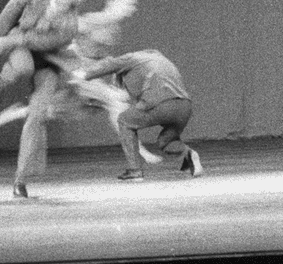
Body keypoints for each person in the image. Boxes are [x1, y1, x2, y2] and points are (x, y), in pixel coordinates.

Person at [0, 0, 136, 199]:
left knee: (37, 114)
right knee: (24, 66)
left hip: (47, 58)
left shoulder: (69, 24)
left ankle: (20, 179)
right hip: (22, 52)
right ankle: (0, 81)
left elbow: (33, 40)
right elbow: (8, 15)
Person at [73, 49, 203, 181]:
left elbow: (109, 64)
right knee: (166, 140)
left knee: (124, 120)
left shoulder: (131, 59)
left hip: (161, 103)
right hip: (184, 106)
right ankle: (188, 155)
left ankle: (135, 170)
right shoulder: (161, 60)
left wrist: (82, 75)